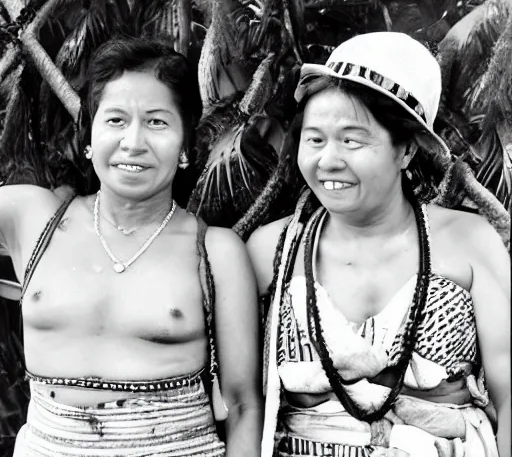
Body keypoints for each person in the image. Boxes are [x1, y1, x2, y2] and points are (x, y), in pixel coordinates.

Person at [247, 32, 510, 457]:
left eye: (352, 140)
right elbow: (242, 400)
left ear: (405, 149)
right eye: (314, 139)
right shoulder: (271, 250)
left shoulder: (469, 242)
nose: (328, 160)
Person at [0, 37, 262, 456]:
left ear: (185, 147)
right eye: (116, 120)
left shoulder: (214, 251)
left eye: (157, 122)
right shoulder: (34, 219)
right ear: (89, 136)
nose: (133, 143)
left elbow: (244, 403)